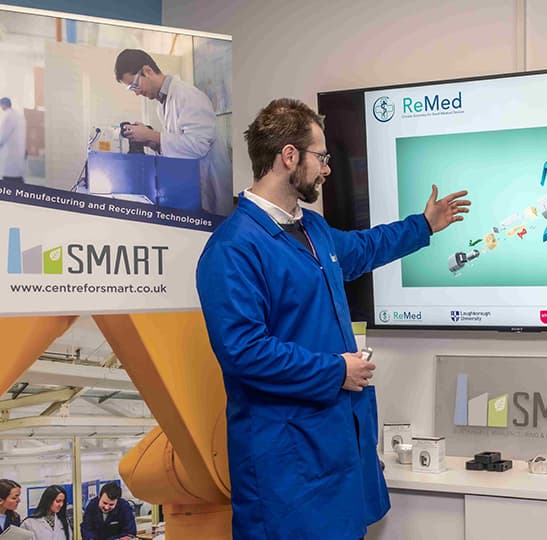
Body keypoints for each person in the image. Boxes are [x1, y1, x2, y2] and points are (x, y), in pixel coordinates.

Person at [196, 97, 470, 540]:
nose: (326, 169)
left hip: (334, 450)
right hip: (286, 466)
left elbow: (362, 248)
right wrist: (336, 370)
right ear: (289, 156)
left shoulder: (311, 228)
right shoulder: (233, 248)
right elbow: (243, 352)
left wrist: (423, 226)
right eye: (320, 157)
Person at [114, 49, 233, 215]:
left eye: (135, 85)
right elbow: (177, 146)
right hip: (192, 190)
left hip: (212, 189)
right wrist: (152, 142)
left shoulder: (188, 96)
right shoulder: (162, 105)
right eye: (131, 89)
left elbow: (198, 146)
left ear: (147, 71)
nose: (136, 93)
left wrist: (151, 135)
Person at [0, 97, 27, 183]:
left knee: (10, 183)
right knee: (18, 181)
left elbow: (2, 136)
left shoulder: (8, 115)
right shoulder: (19, 116)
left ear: (3, 105)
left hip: (9, 159)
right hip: (19, 156)